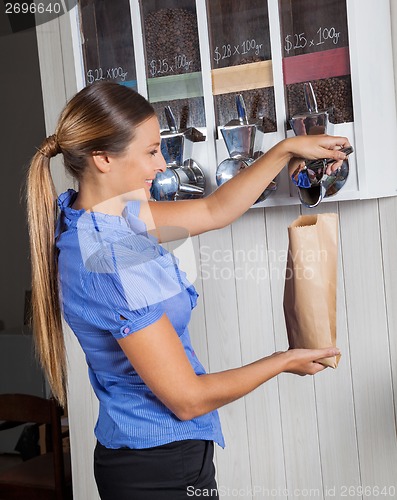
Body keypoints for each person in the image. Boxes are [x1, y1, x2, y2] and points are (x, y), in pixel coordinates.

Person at [26, 81, 348, 500]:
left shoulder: (99, 216)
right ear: (103, 158)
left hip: (151, 458)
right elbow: (188, 400)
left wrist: (286, 149)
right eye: (150, 151)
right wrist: (283, 361)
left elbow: (215, 210)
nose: (161, 164)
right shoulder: (108, 258)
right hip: (159, 470)